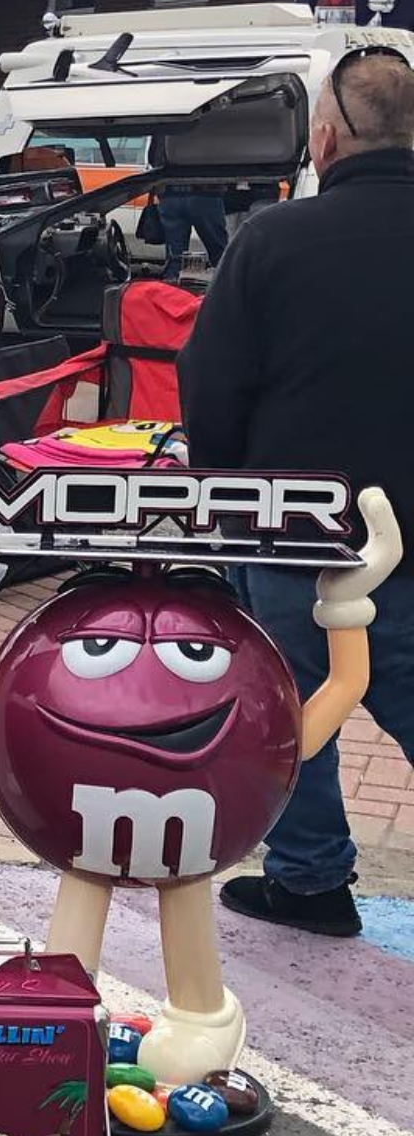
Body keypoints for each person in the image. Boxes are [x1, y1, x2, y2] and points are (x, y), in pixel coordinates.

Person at [179, 46, 414, 937]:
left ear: (326, 137)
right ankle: (309, 875)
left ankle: (311, 882)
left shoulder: (274, 239)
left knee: (293, 711)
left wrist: (225, 501)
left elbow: (213, 386)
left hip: (297, 532)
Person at [156, 184, 230, 281]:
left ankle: (171, 287)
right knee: (220, 255)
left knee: (176, 259)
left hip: (171, 192)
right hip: (206, 192)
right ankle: (228, 286)